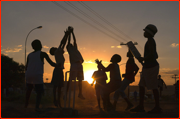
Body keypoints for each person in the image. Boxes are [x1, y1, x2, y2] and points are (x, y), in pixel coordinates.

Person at [130, 24, 161, 113]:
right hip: (147, 67)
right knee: (141, 86)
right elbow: (156, 55)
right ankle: (141, 106)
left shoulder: (150, 41)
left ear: (149, 33)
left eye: (145, 31)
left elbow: (152, 55)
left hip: (151, 67)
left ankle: (157, 108)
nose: (144, 33)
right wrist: (145, 58)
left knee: (153, 87)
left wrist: (143, 58)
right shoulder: (150, 41)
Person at [25, 39, 57, 111]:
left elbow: (26, 66)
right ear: (40, 46)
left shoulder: (29, 55)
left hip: (29, 74)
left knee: (29, 90)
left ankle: (26, 105)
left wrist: (26, 74)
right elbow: (51, 63)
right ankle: (37, 107)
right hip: (37, 74)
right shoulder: (43, 54)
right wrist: (58, 65)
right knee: (39, 92)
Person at [49, 29, 70, 108]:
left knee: (59, 87)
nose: (55, 47)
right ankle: (56, 100)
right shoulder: (57, 52)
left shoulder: (58, 53)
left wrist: (67, 35)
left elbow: (63, 43)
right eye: (54, 48)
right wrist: (66, 35)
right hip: (58, 70)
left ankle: (57, 101)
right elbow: (62, 43)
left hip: (60, 70)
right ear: (53, 51)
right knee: (57, 87)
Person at [66, 26, 85, 99]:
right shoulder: (69, 50)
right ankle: (66, 93)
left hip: (79, 64)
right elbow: (69, 41)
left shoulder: (75, 48)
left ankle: (80, 93)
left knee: (80, 79)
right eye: (70, 45)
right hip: (74, 64)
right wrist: (69, 34)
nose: (71, 44)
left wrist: (72, 32)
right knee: (71, 79)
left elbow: (74, 40)